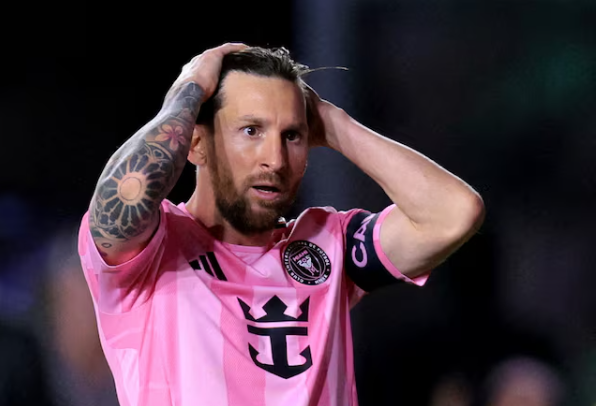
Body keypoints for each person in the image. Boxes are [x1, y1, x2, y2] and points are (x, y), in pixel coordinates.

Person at [77, 43, 485, 406]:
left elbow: (453, 214)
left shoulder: (329, 245)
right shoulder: (151, 250)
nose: (274, 159)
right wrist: (190, 90)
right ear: (196, 144)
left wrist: (335, 124)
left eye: (291, 136)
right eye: (251, 130)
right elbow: (127, 191)